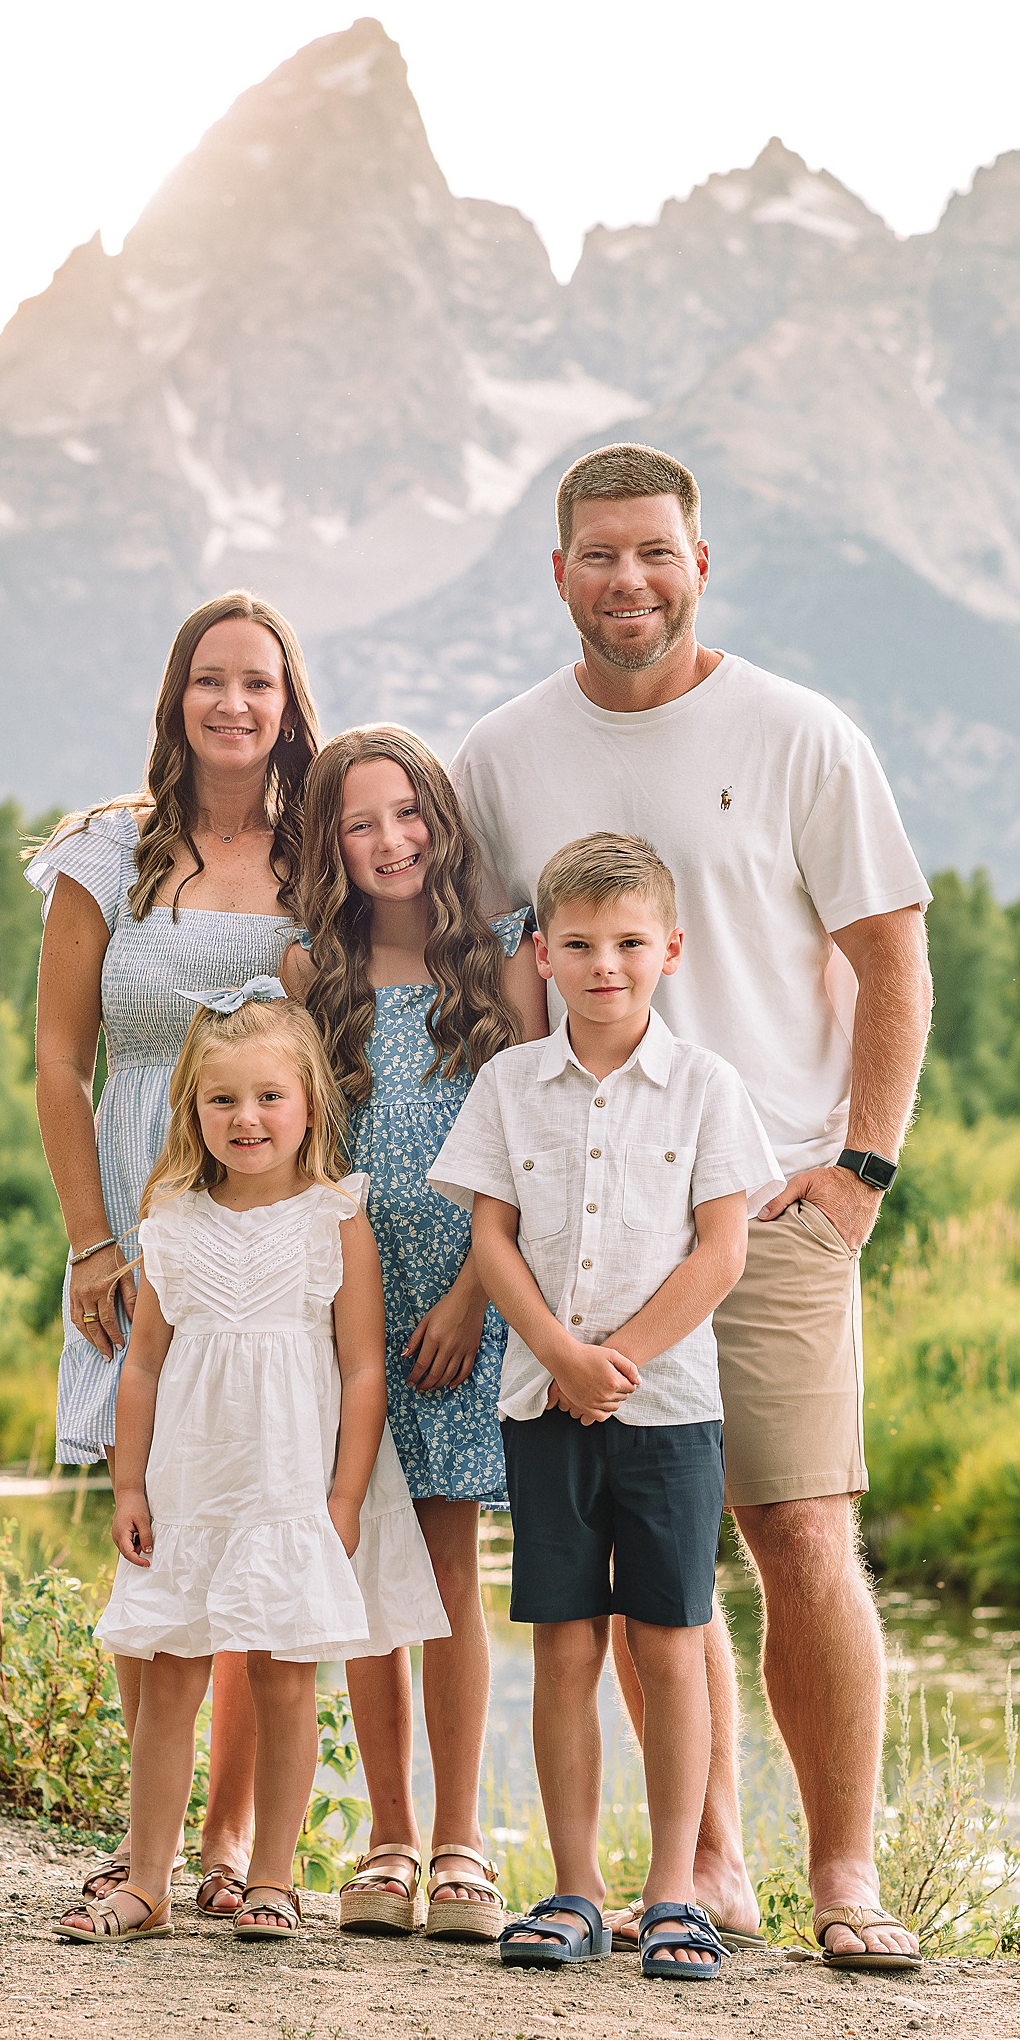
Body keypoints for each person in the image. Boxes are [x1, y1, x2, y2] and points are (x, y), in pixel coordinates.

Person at [451, 445, 934, 1972]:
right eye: (599, 555)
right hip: (578, 1215)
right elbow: (453, 961)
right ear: (559, 573)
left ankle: (844, 1876)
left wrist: (861, 1170)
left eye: (654, 552)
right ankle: (704, 1863)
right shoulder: (502, 754)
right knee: (651, 1563)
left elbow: (894, 956)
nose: (628, 581)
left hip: (767, 1197)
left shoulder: (800, 736)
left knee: (799, 1526)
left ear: (699, 562)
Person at [429, 833, 782, 1981]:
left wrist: (615, 1359)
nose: (604, 965)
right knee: (566, 1644)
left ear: (669, 951)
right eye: (576, 944)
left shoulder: (708, 1088)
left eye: (629, 943)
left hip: (669, 1413)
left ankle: (674, 1894)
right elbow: (490, 1236)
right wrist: (557, 1357)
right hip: (540, 1407)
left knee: (671, 1648)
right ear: (539, 952)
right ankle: (575, 1889)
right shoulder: (506, 1086)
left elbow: (722, 1251)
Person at [27, 589, 319, 1918]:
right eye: (213, 680)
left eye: (258, 682)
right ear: (176, 696)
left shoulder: (317, 855)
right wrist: (93, 1241)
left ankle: (231, 1850)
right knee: (149, 1532)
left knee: (261, 1531)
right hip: (142, 1217)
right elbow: (56, 1061)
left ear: (288, 701)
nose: (235, 704)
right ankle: (141, 1842)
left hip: (269, 1215)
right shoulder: (109, 854)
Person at [51, 981, 449, 1946]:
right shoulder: (174, 1217)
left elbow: (361, 1368)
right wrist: (132, 1481)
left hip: (289, 1486)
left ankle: (274, 1876)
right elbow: (142, 1364)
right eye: (222, 1099)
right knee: (170, 1671)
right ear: (193, 1108)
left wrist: (345, 1494)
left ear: (310, 1100)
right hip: (193, 1484)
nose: (247, 1118)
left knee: (282, 1678)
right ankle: (147, 1877)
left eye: (270, 1095)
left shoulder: (333, 1217)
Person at [281, 727, 548, 1942]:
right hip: (345, 1313)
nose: (388, 842)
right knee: (362, 1575)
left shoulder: (496, 966)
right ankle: (384, 1837)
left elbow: (536, 1153)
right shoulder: (308, 976)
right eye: (357, 823)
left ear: (438, 822)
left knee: (444, 1575)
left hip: (460, 1308)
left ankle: (460, 1843)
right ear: (329, 845)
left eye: (406, 816)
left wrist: (476, 1299)